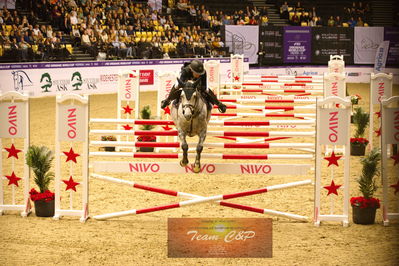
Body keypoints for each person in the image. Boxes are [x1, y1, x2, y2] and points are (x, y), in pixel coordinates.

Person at [160, 60, 227, 113]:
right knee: (176, 86)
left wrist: (197, 87)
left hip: (197, 84)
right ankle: (167, 100)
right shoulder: (185, 71)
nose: (198, 75)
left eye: (199, 74)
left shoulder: (203, 72)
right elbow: (181, 84)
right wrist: (188, 86)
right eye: (197, 73)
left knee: (207, 90)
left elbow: (204, 86)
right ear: (191, 70)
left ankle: (219, 104)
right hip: (185, 83)